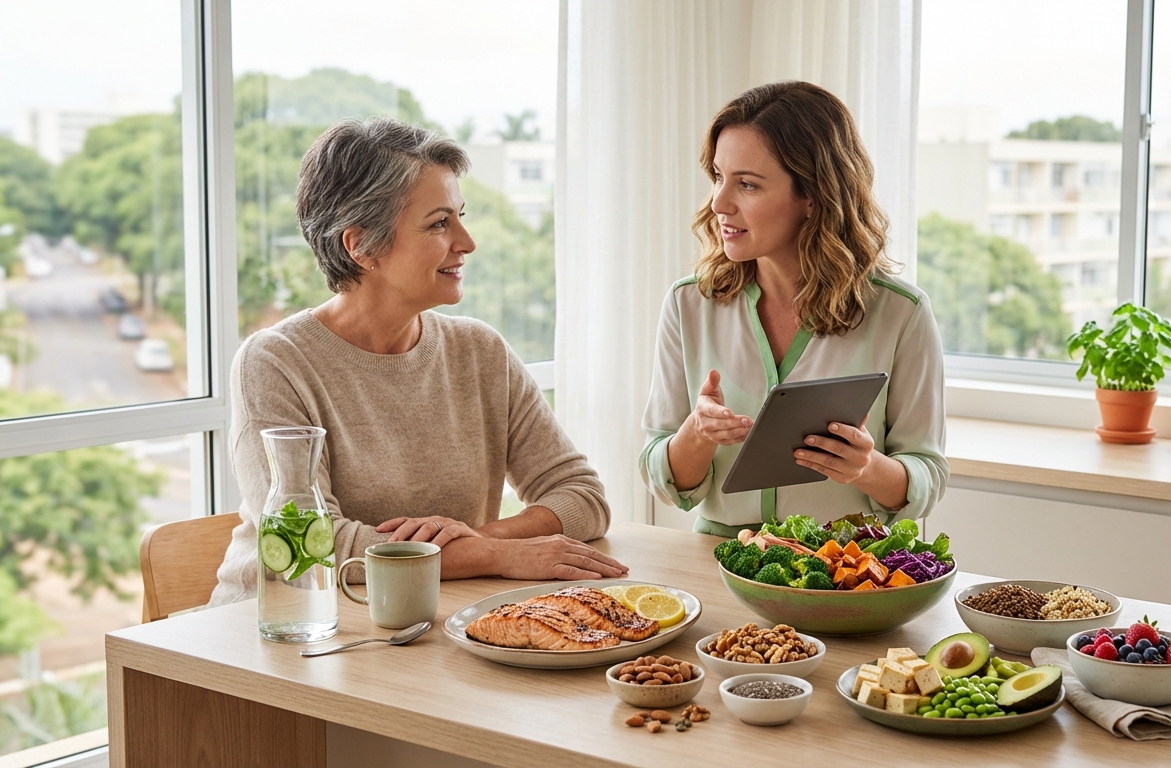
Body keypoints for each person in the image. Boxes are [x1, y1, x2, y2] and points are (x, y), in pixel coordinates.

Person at [210, 117, 625, 606]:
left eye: (459, 216)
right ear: (360, 245)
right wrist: (493, 557)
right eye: (439, 223)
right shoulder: (275, 362)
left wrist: (483, 542)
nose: (466, 242)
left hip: (424, 622)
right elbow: (313, 545)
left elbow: (582, 497)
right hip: (283, 631)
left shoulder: (480, 351)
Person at [639, 81, 949, 537]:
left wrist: (866, 467)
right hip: (720, 563)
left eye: (747, 184)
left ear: (812, 195)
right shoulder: (689, 304)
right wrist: (698, 434)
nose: (719, 204)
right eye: (718, 178)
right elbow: (665, 479)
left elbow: (927, 474)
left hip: (845, 573)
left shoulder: (901, 313)